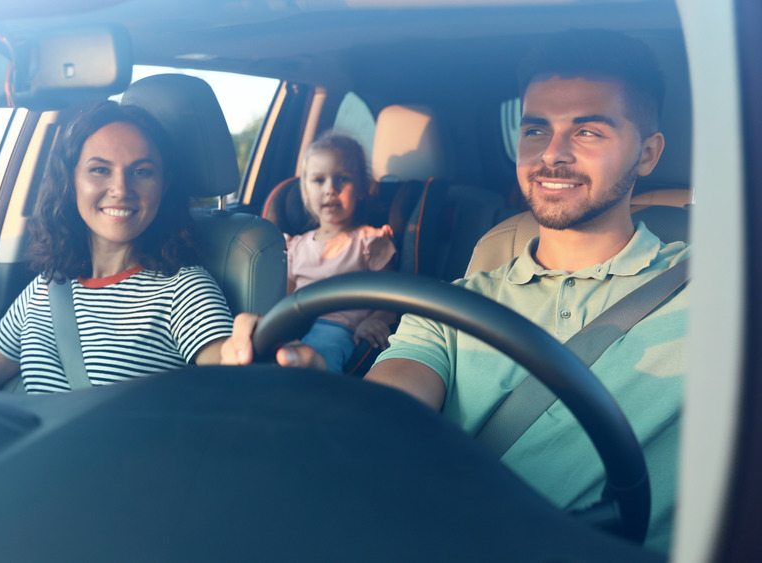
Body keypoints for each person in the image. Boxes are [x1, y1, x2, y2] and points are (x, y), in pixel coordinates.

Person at [222, 29, 685, 554]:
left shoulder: (714, 294)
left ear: (647, 154)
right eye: (535, 130)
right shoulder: (451, 305)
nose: (551, 155)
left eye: (588, 132)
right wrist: (323, 401)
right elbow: (389, 405)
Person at [0, 100, 233, 394]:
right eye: (100, 170)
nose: (121, 189)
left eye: (141, 172)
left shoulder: (183, 289)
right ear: (71, 180)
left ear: (163, 186)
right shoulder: (46, 287)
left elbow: (234, 373)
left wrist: (253, 351)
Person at [284, 131, 397, 373]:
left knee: (325, 350)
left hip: (337, 329)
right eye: (318, 180)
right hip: (293, 325)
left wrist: (375, 319)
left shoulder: (370, 241)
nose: (330, 189)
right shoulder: (295, 246)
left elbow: (390, 297)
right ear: (305, 191)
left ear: (361, 188)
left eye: (342, 179)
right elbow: (282, 301)